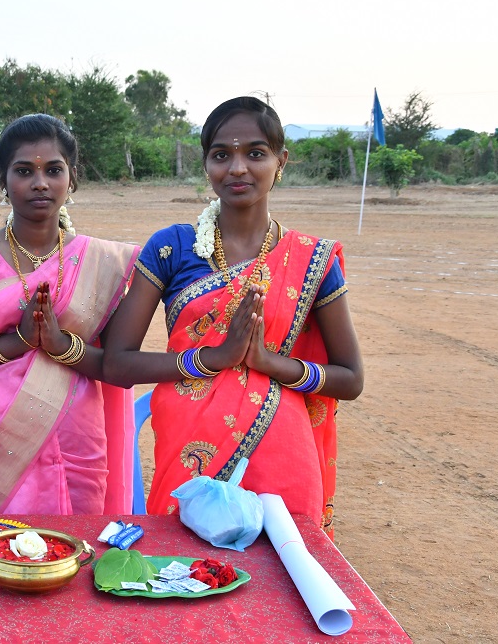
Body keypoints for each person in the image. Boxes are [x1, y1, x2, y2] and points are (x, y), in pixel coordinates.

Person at [103, 97, 363, 537]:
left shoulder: (312, 259)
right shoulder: (172, 248)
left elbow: (350, 379)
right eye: (222, 155)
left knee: (283, 570)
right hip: (189, 451)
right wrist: (213, 358)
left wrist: (266, 362)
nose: (238, 168)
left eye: (255, 153)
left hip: (285, 455)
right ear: (206, 163)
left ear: (281, 161)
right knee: (184, 567)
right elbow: (116, 363)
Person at [0, 114, 140, 516]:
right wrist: (15, 343)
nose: (40, 183)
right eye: (24, 171)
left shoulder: (101, 262)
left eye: (53, 170)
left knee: (72, 547)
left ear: (72, 177)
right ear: (2, 179)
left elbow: (118, 368)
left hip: (75, 440)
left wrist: (60, 344)